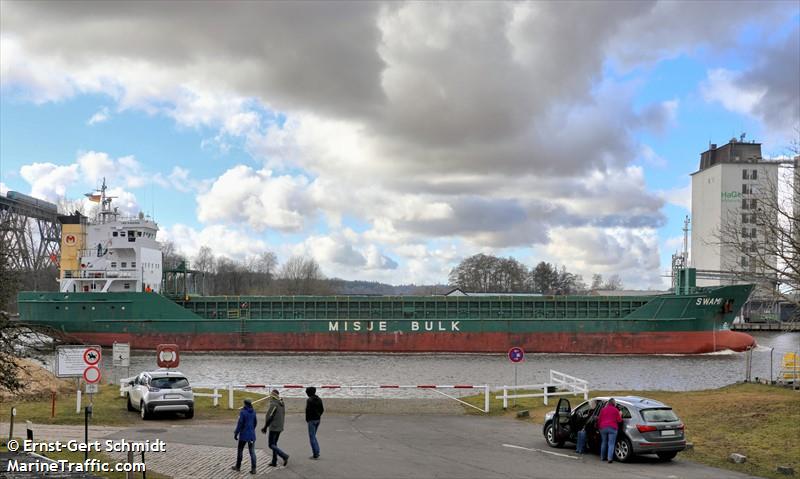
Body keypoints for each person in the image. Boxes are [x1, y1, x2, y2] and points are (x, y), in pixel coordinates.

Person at [261, 389, 289, 467]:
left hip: (274, 427)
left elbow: (270, 417)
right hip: (280, 427)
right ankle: (274, 461)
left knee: (271, 445)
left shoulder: (274, 404)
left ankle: (284, 456)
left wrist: (265, 427)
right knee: (275, 444)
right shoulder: (281, 403)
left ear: (272, 396)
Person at [233, 399, 257, 474]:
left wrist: (236, 433)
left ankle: (238, 466)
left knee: (240, 450)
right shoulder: (253, 412)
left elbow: (240, 424)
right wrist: (252, 429)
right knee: (252, 452)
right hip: (252, 435)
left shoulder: (243, 412)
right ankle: (254, 469)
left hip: (243, 435)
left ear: (245, 404)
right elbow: (255, 422)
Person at [597, 398, 623, 463]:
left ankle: (602, 457)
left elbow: (599, 419)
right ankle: (609, 458)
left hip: (603, 428)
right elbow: (619, 420)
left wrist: (598, 427)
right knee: (611, 444)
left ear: (608, 403)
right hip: (612, 428)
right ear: (614, 403)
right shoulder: (616, 410)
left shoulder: (603, 410)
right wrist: (620, 415)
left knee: (604, 442)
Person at [305, 387, 325, 459]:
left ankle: (316, 453)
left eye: (307, 392)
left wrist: (307, 419)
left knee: (312, 437)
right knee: (314, 436)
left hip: (311, 420)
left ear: (309, 393)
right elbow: (322, 409)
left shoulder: (309, 400)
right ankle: (317, 451)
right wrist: (319, 415)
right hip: (318, 420)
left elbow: (307, 411)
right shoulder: (319, 399)